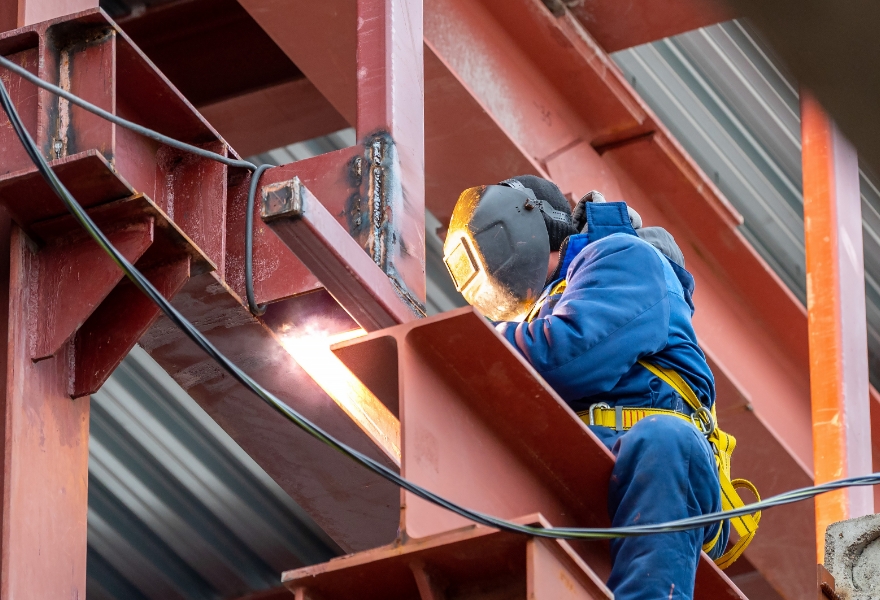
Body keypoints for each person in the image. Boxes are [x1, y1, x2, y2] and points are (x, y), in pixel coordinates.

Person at [443, 175, 756, 600]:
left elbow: (569, 357)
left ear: (523, 223)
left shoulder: (623, 257)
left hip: (661, 471)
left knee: (664, 438)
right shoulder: (532, 321)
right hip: (586, 464)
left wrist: (468, 344)